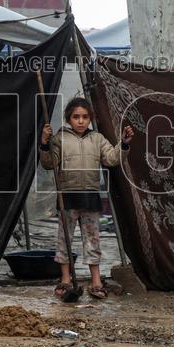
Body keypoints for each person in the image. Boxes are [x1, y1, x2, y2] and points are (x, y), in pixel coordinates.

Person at [39, 97, 134, 299]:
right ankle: (65, 280)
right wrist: (45, 143)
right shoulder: (59, 139)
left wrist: (124, 144)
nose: (80, 121)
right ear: (68, 119)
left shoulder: (97, 139)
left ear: (90, 118)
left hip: (90, 197)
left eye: (85, 117)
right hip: (67, 198)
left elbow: (111, 158)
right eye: (76, 117)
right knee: (64, 240)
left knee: (92, 240)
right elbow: (49, 164)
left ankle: (96, 281)